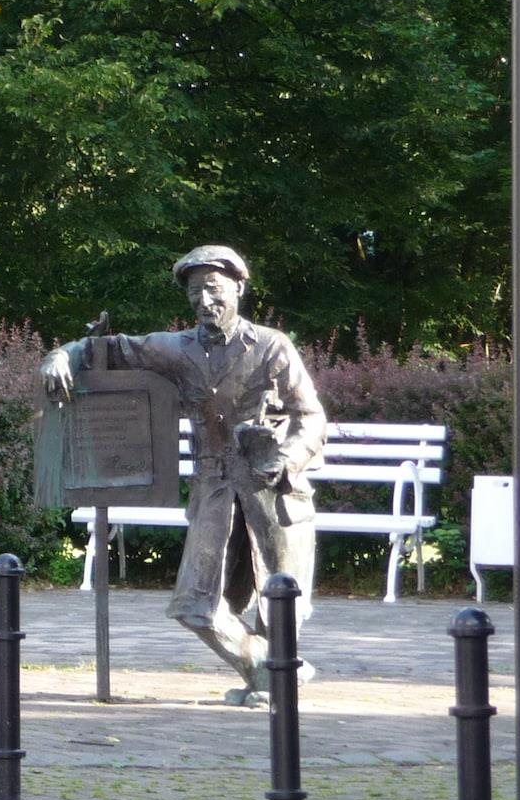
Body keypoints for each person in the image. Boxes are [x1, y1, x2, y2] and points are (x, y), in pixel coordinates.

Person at [41, 246, 327, 703]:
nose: (204, 300)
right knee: (195, 604)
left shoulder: (272, 346)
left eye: (213, 288)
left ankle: (273, 684)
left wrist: (285, 458)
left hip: (272, 487)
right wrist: (62, 355)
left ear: (239, 287)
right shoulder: (176, 348)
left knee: (280, 600)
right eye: (195, 292)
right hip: (214, 487)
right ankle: (273, 671)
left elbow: (310, 416)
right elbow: (111, 348)